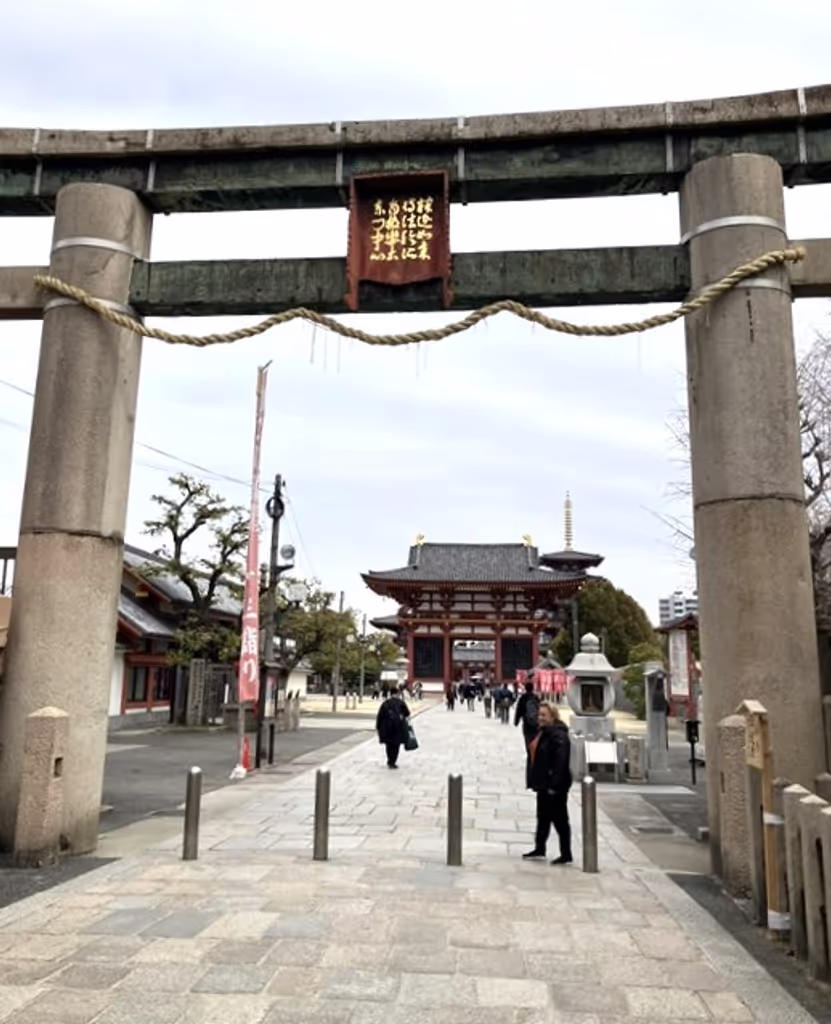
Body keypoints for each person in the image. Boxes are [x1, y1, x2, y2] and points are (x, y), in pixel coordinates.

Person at [523, 703, 573, 865]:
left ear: (553, 716)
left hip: (554, 785)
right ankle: (540, 848)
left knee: (559, 819)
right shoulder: (544, 733)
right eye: (539, 715)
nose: (540, 718)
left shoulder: (558, 735)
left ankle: (566, 853)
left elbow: (561, 762)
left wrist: (554, 785)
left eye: (544, 715)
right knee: (543, 817)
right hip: (544, 783)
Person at [375, 685, 411, 769]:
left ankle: (389, 760)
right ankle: (393, 761)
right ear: (397, 694)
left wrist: (378, 727)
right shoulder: (401, 703)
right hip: (398, 726)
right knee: (396, 745)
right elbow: (407, 713)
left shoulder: (385, 703)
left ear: (390, 694)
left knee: (389, 745)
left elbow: (380, 716)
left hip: (387, 727)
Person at [514, 680, 541, 749]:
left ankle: (529, 753)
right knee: (536, 739)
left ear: (525, 688)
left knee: (528, 739)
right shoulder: (536, 697)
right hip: (536, 723)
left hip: (527, 723)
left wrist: (516, 721)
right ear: (533, 688)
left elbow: (519, 710)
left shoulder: (523, 698)